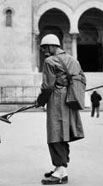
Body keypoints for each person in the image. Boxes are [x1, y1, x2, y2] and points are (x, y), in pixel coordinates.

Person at [34, 34, 85, 185]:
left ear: (51, 46)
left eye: (44, 48)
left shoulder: (50, 61)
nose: (44, 51)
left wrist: (39, 101)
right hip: (70, 98)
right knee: (64, 133)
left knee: (55, 133)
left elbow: (48, 86)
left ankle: (60, 171)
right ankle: (60, 167)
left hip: (56, 99)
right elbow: (82, 79)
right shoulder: (73, 60)